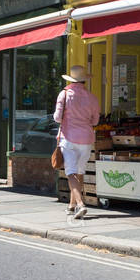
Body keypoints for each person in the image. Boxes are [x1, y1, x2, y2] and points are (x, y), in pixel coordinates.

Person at [53, 65, 101, 219]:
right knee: (79, 172)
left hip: (69, 138)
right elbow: (95, 121)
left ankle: (80, 204)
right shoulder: (92, 97)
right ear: (84, 81)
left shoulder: (64, 95)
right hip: (86, 139)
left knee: (71, 173)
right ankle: (72, 205)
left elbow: (57, 118)